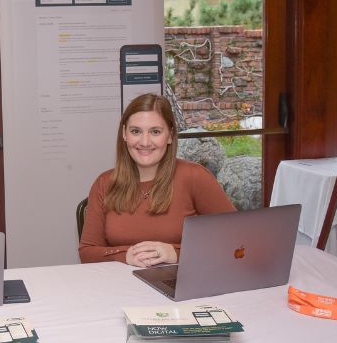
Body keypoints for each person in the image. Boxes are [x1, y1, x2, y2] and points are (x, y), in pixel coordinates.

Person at [78, 93, 235, 267]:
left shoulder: (195, 177)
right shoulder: (104, 183)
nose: (145, 142)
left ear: (169, 135)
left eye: (155, 132)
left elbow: (237, 241)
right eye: (136, 131)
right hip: (120, 287)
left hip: (182, 286)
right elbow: (88, 252)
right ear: (124, 134)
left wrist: (176, 253)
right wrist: (126, 255)